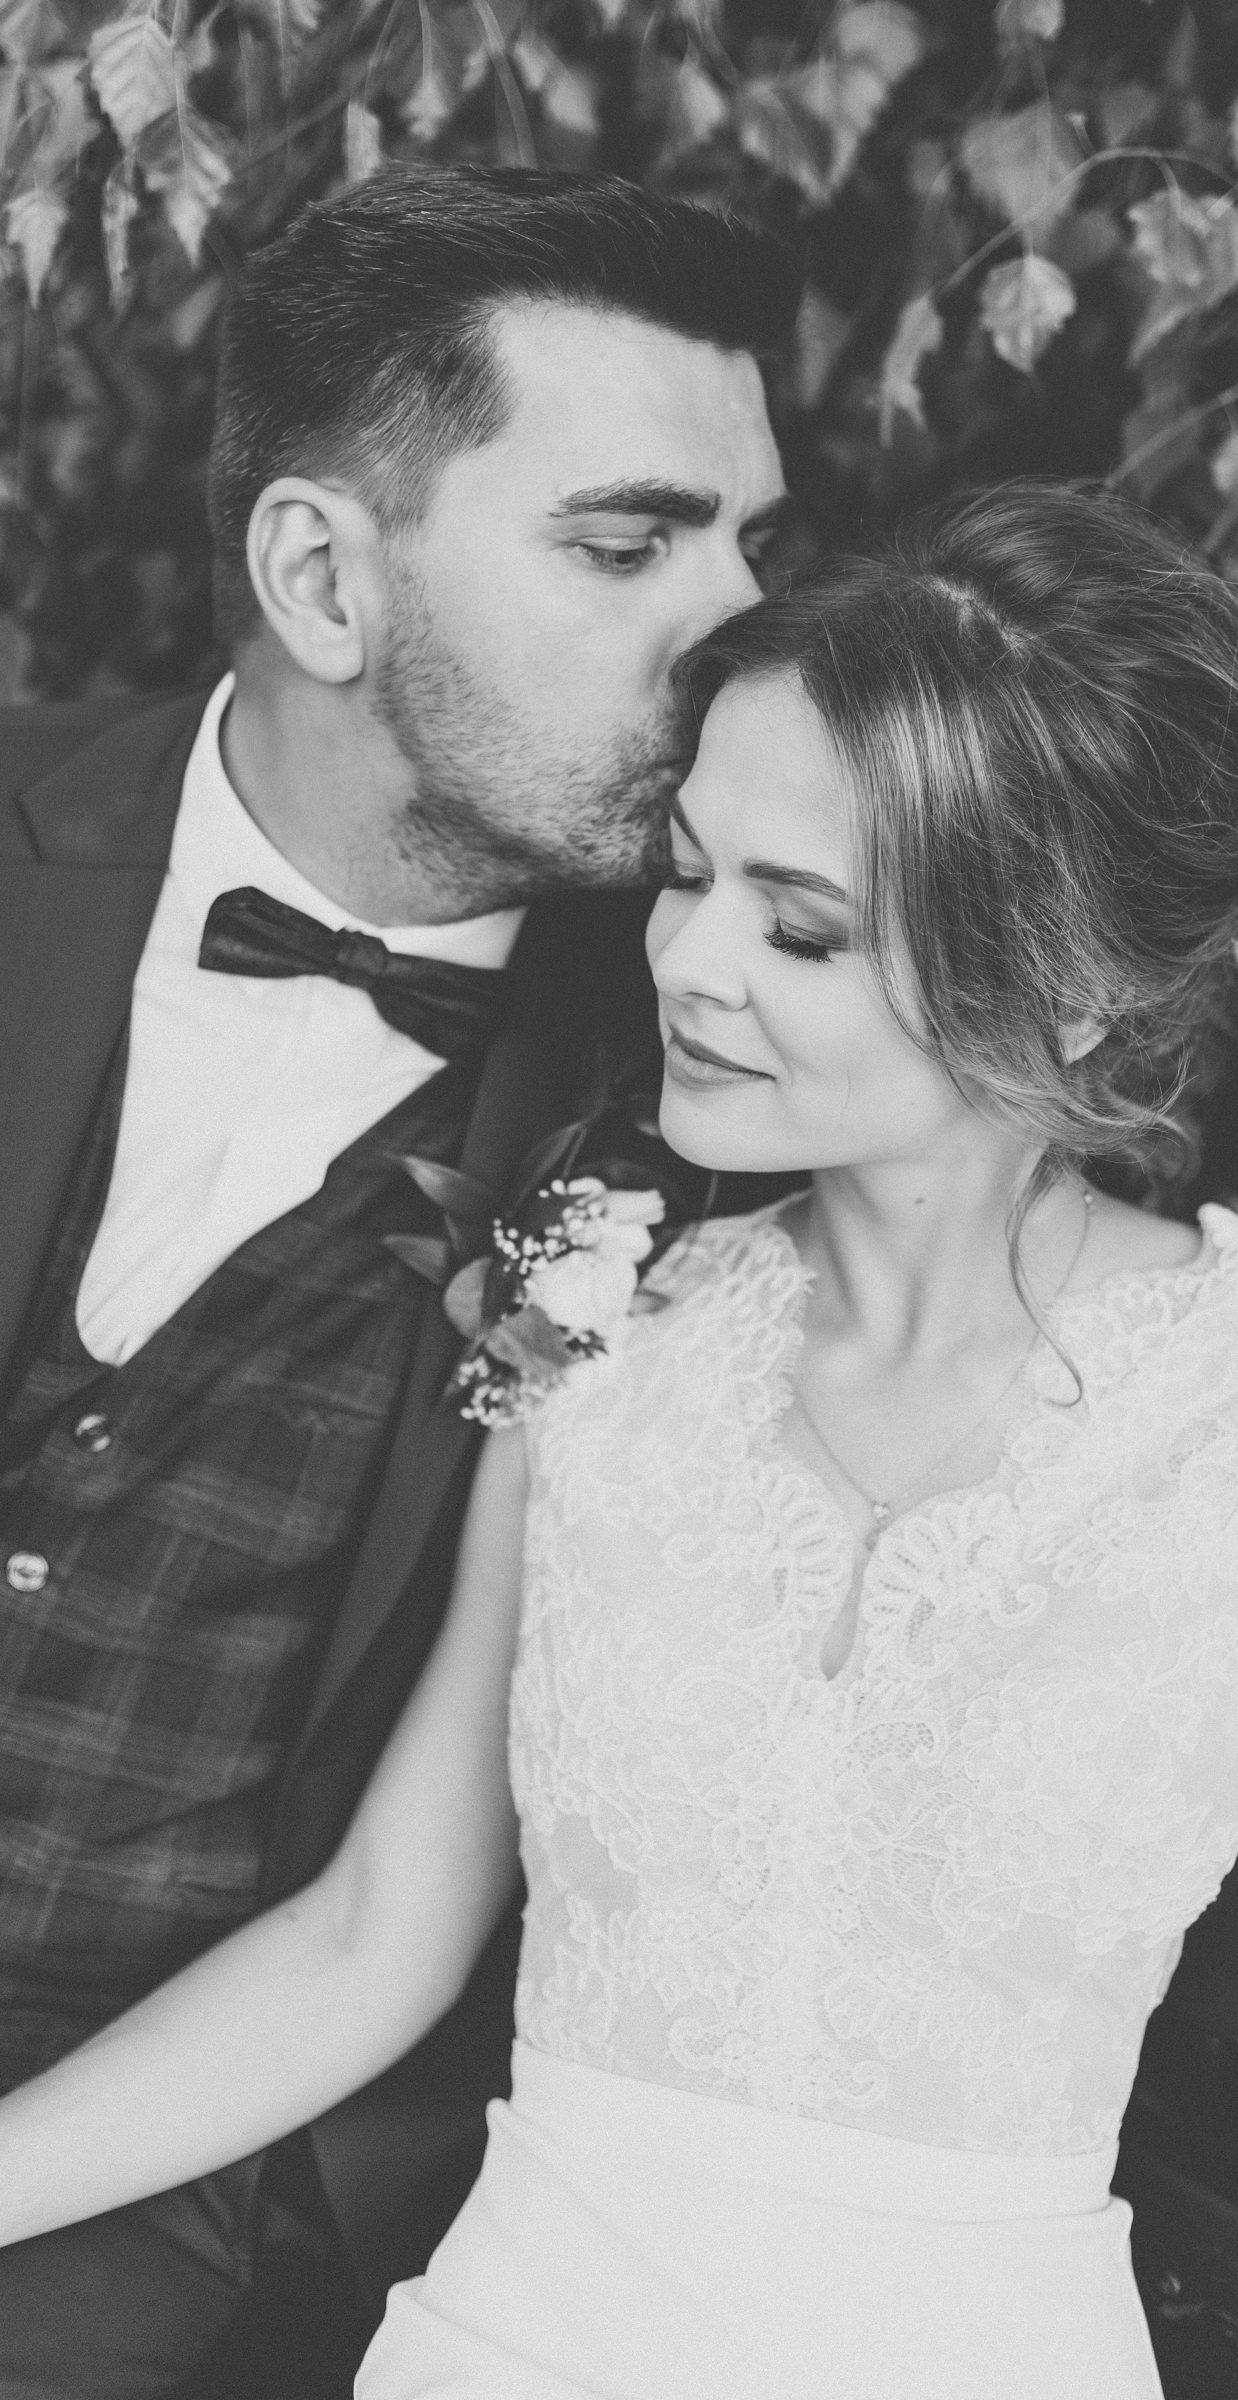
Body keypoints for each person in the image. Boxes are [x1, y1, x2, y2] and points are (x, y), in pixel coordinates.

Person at [4, 482, 1238, 2400]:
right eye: (686, 873)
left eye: (803, 927)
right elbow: (373, 1937)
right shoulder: (603, 1330)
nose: (689, 960)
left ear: (1070, 987)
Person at [0, 161, 792, 2392]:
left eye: (756, 547)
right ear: (322, 578)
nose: (739, 630)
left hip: (180, 2178)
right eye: (628, 546)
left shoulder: (729, 1096)